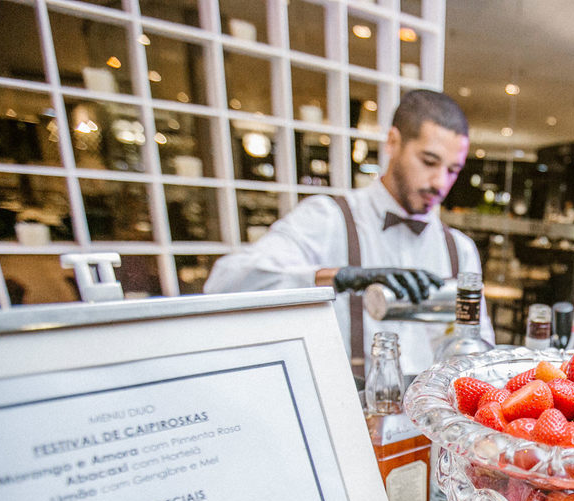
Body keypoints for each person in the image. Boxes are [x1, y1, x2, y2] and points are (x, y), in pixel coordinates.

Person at [204, 89, 492, 375]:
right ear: (393, 142)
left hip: (427, 415)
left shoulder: (461, 249)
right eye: (429, 161)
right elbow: (225, 282)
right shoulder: (328, 218)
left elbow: (479, 349)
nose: (440, 183)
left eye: (453, 170)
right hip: (346, 403)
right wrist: (340, 277)